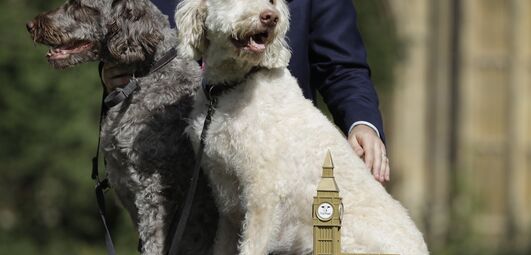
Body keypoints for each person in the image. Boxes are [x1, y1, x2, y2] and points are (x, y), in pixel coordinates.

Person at [102, 0, 391, 183]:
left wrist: (362, 123)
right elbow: (127, 39)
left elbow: (342, 70)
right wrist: (111, 75)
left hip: (278, 177)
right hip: (178, 182)